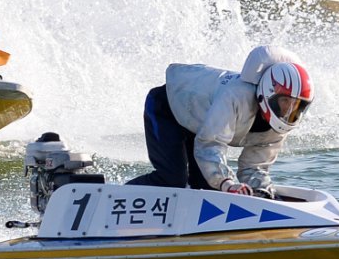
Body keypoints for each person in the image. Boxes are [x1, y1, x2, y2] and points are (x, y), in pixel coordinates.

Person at [127, 45, 314, 197]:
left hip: (199, 122)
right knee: (172, 179)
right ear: (269, 92)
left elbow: (254, 167)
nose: (288, 111)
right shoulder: (235, 97)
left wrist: (262, 191)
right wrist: (227, 183)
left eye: (297, 105)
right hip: (167, 106)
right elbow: (210, 143)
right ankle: (114, 197)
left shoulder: (278, 128)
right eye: (285, 101)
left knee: (208, 190)